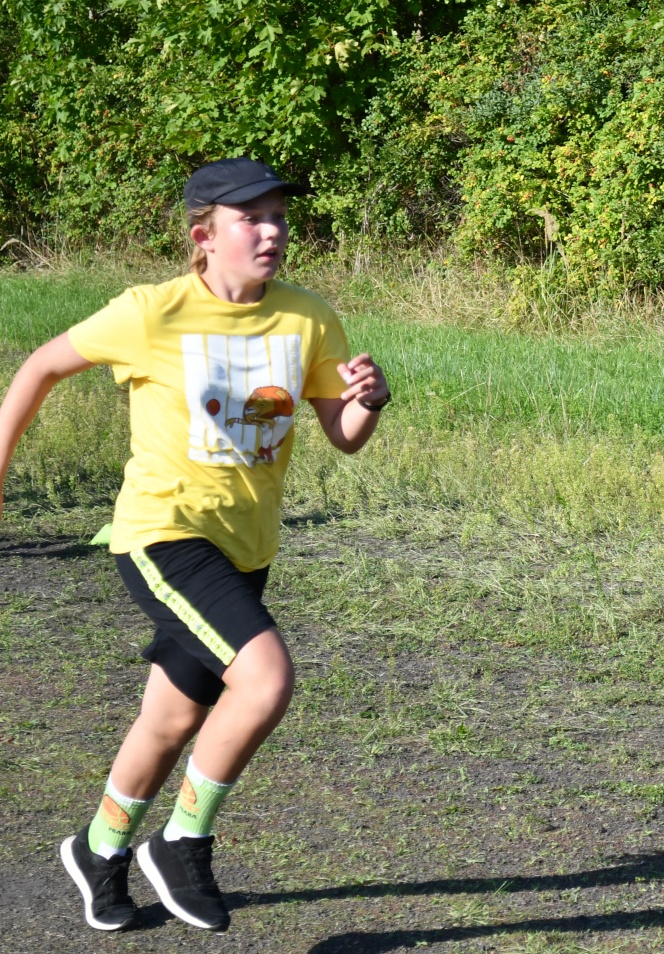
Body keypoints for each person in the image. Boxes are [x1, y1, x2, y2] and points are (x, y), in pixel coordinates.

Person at [0, 158, 391, 932]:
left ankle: (99, 849)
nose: (272, 231)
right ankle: (183, 842)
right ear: (203, 236)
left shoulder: (309, 318)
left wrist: (369, 401)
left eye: (279, 216)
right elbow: (40, 367)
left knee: (172, 720)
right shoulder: (152, 312)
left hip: (247, 548)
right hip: (163, 532)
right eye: (252, 218)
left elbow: (343, 435)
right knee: (265, 681)